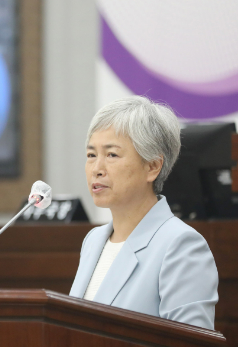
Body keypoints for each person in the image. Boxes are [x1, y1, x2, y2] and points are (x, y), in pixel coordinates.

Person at [69, 96, 218, 330]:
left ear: (152, 167)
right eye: (91, 155)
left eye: (112, 155)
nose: (97, 169)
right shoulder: (93, 241)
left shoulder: (180, 245)